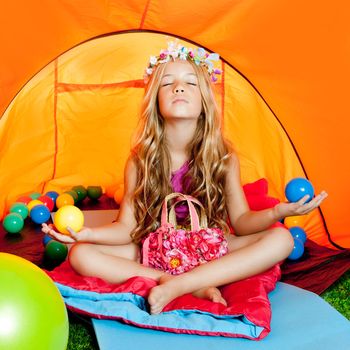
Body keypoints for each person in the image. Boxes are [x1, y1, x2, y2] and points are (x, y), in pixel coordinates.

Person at [42, 41, 328, 315]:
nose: (179, 87)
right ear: (155, 100)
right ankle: (183, 282)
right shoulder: (139, 161)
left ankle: (181, 284)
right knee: (80, 254)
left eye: (190, 82)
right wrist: (87, 234)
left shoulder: (224, 158)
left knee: (281, 239)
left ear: (205, 102)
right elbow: (127, 227)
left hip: (210, 245)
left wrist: (278, 211)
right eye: (168, 83)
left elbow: (241, 223)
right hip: (154, 248)